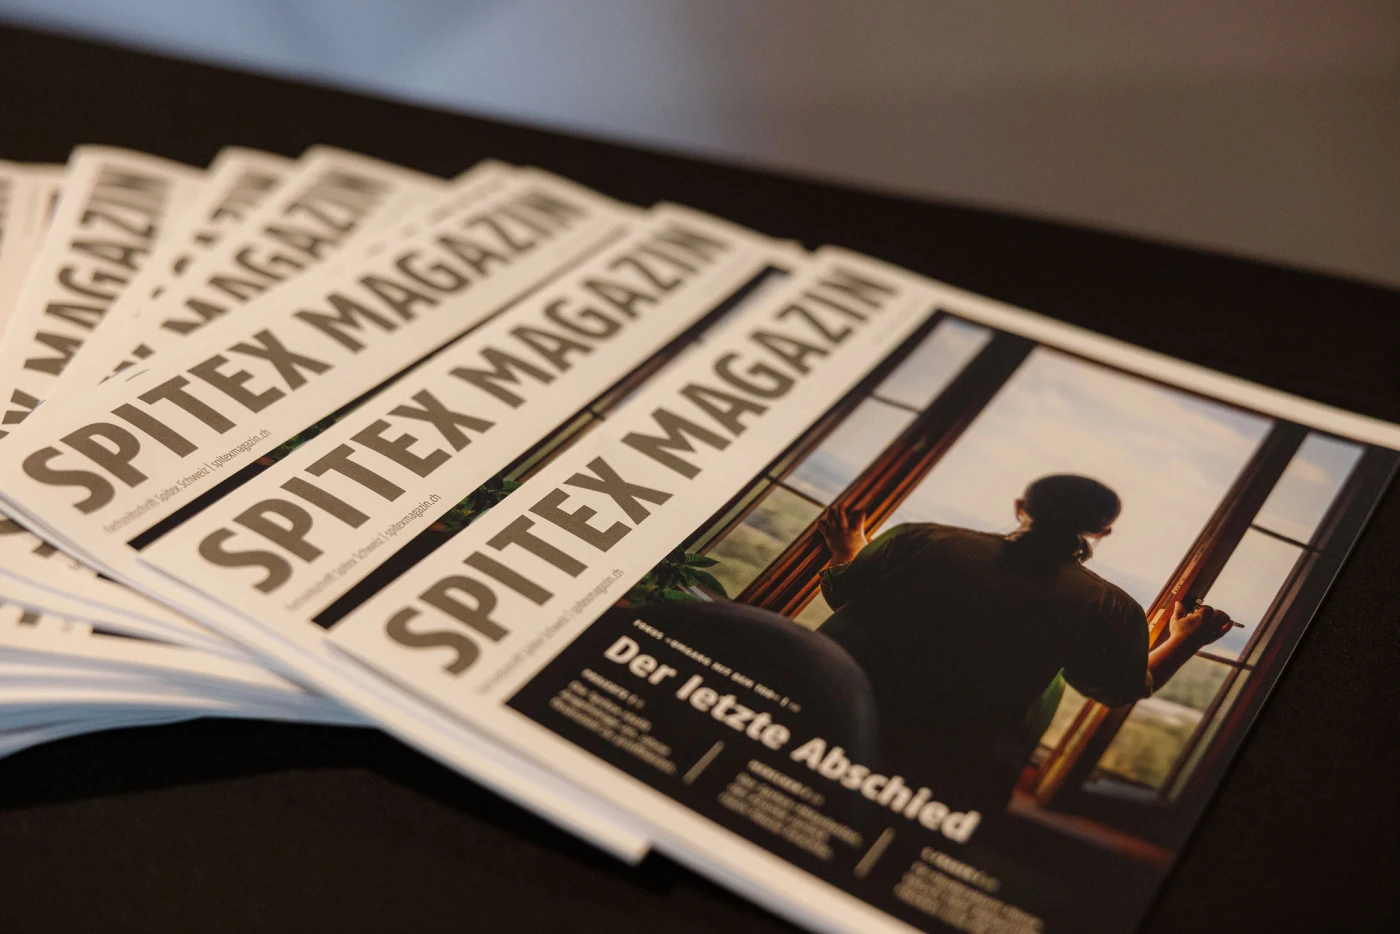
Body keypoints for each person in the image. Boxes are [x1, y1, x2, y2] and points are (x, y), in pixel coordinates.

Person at [813, 474, 1234, 812]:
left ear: (1020, 507)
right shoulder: (1107, 607)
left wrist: (848, 548)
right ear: (1102, 532)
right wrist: (1185, 640)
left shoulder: (920, 538)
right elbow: (1118, 688)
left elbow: (847, 597)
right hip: (952, 766)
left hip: (829, 713)